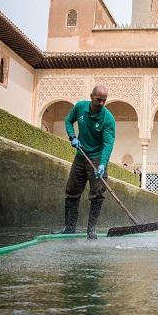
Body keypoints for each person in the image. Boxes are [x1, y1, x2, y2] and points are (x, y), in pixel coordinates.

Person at [55, 85, 116, 239]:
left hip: (97, 158)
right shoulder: (80, 107)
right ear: (91, 96)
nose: (102, 103)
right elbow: (68, 121)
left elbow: (108, 143)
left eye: (104, 100)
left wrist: (102, 164)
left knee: (97, 194)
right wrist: (72, 136)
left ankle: (91, 230)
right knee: (72, 192)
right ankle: (69, 228)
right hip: (81, 155)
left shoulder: (108, 119)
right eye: (99, 99)